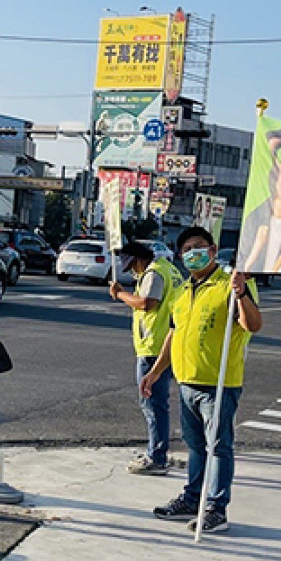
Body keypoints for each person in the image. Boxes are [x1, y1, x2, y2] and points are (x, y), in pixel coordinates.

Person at [140, 226, 262, 534]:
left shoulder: (231, 284)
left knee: (219, 446)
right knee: (195, 446)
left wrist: (242, 292)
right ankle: (193, 498)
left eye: (198, 247)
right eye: (186, 251)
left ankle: (216, 508)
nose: (192, 254)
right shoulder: (183, 291)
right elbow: (173, 333)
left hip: (219, 383)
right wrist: (155, 371)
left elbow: (253, 324)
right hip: (186, 382)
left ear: (212, 249)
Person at [109, 240, 182, 475]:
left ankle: (157, 456)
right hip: (167, 343)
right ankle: (156, 451)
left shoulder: (155, 273)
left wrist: (121, 294)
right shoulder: (169, 268)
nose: (132, 270)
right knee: (157, 403)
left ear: (141, 259)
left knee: (152, 402)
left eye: (132, 266)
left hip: (154, 346)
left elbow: (147, 303)